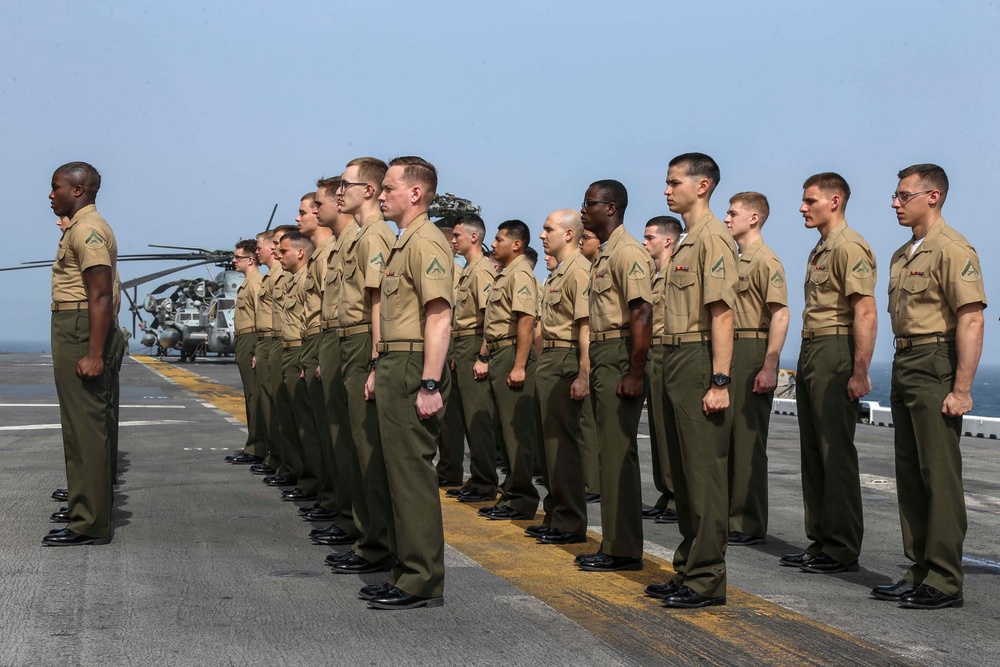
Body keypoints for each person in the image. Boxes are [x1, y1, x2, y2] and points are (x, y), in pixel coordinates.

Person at [872, 164, 985, 610]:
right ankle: (919, 568)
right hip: (906, 360)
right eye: (896, 196)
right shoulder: (904, 254)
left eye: (904, 196)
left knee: (938, 473)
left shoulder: (952, 248)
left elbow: (971, 318)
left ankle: (944, 579)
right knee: (911, 472)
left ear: (932, 196)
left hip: (936, 362)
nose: (895, 203)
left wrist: (961, 389)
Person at [646, 153, 736, 609]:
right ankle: (688, 567)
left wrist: (719, 380)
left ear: (702, 186)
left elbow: (722, 312)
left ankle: (706, 579)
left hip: (699, 357)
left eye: (674, 182)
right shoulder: (686, 241)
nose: (667, 190)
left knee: (703, 474)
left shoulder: (713, 239)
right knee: (682, 473)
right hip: (674, 356)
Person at [365, 156, 453, 610]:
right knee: (397, 476)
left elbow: (439, 316)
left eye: (389, 187)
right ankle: (405, 571)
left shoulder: (427, 243)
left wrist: (431, 385)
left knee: (412, 476)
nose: (382, 194)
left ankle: (421, 579)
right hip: (398, 362)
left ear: (415, 193)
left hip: (416, 365)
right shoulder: (406, 243)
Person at [781, 172, 876, 574]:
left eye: (810, 201)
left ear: (834, 201)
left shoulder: (849, 246)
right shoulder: (820, 248)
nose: (802, 207)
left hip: (835, 349)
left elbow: (865, 311)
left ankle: (841, 547)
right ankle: (820, 538)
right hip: (812, 349)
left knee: (835, 451)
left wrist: (859, 371)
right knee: (813, 451)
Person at [576, 179, 653, 573]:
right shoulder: (606, 255)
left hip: (621, 353)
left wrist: (635, 372)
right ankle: (615, 543)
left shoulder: (627, 253)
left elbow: (641, 313)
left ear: (611, 208)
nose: (583, 209)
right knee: (609, 454)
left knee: (618, 454)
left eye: (589, 203)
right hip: (606, 353)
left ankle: (622, 549)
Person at [44, 161, 122, 547]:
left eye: (55, 186)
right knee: (80, 427)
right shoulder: (80, 226)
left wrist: (94, 352)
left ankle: (88, 521)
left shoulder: (88, 229)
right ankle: (86, 507)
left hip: (80, 329)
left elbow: (100, 293)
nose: (50, 194)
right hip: (74, 326)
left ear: (77, 190)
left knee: (85, 428)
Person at [329, 159, 397, 575]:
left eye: (345, 184)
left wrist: (375, 359)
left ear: (368, 190)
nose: (339, 192)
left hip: (361, 342)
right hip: (348, 340)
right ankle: (367, 537)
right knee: (357, 446)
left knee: (368, 447)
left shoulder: (374, 238)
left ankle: (377, 544)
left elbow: (378, 305)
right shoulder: (359, 236)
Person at [724, 193, 789, 546]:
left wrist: (770, 365)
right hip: (729, 346)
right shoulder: (734, 260)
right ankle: (731, 514)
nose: (727, 218)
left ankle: (748, 522)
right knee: (728, 437)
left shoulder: (766, 260)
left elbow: (779, 312)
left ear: (753, 218)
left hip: (751, 345)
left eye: (733, 213)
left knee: (748, 440)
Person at [530, 209, 592, 545]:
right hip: (551, 356)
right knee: (548, 446)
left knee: (562, 446)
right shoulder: (558, 274)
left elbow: (586, 326)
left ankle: (569, 521)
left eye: (548, 228)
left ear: (569, 234)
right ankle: (555, 513)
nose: (542, 235)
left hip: (566, 356)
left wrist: (583, 373)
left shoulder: (579, 271)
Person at [476, 220, 541, 521]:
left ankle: (521, 499)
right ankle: (510, 494)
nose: (495, 244)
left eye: (500, 239)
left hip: (511, 352)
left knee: (516, 433)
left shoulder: (521, 274)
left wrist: (518, 365)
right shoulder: (505, 275)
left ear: (516, 244)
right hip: (499, 351)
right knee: (503, 430)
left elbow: (526, 320)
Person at [312, 182, 362, 546]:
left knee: (354, 441)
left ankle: (359, 525)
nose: (313, 211)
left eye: (318, 203)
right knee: (338, 437)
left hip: (353, 339)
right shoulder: (340, 246)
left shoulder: (361, 240)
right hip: (336, 337)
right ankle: (346, 517)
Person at [446, 213, 501, 504]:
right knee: (468, 417)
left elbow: (488, 319)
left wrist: (482, 356)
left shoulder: (481, 271)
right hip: (462, 345)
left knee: (479, 418)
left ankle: (484, 483)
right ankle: (478, 479)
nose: (453, 240)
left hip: (475, 344)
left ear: (473, 237)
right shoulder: (469, 270)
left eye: (457, 235)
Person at [641, 215, 682, 525]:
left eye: (650, 237)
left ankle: (676, 495)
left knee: (672, 430)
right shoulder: (655, 275)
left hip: (670, 352)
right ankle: (666, 493)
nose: (645, 243)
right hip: (654, 353)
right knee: (658, 428)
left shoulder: (674, 272)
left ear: (668, 240)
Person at [273, 223, 317, 499]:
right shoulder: (294, 280)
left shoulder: (304, 279)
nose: (279, 254)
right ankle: (304, 476)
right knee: (295, 420)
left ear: (300, 253)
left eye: (284, 250)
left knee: (306, 424)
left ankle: (311, 481)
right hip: (290, 350)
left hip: (301, 350)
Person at [261, 225, 298, 488]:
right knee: (278, 408)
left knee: (298, 417)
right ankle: (282, 462)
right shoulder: (278, 277)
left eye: (279, 245)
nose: (275, 249)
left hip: (292, 344)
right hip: (278, 343)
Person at [226, 239, 265, 465]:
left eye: (237, 257)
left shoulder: (255, 284)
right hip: (244, 339)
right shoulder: (248, 283)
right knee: (250, 396)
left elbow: (263, 318)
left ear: (250, 260)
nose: (234, 261)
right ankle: (254, 444)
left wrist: (257, 350)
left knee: (255, 396)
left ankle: (257, 447)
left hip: (251, 339)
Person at [248, 230, 279, 477]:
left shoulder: (276, 278)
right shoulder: (270, 279)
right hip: (268, 342)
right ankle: (274, 457)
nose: (256, 251)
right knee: (268, 404)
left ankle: (279, 459)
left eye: (260, 246)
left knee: (275, 405)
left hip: (277, 342)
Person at [576, 228, 602, 501]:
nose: (583, 242)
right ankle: (588, 480)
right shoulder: (590, 269)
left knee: (589, 422)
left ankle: (593, 483)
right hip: (590, 350)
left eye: (587, 238)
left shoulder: (584, 270)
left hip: (597, 351)